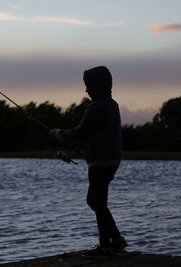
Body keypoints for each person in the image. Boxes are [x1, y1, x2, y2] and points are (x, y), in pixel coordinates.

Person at [49, 66, 127, 257]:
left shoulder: (96, 106)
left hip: (100, 163)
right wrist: (85, 147)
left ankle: (106, 246)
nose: (86, 90)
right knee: (98, 201)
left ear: (97, 86)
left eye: (89, 86)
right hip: (111, 159)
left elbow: (80, 132)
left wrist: (59, 134)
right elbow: (97, 134)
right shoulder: (112, 104)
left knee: (95, 201)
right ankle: (115, 240)